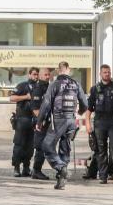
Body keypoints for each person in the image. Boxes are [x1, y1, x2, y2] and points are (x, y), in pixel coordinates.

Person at [37, 61, 89, 190]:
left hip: (58, 120)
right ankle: (61, 180)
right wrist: (79, 113)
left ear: (58, 70)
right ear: (68, 70)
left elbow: (46, 104)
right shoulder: (76, 84)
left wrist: (39, 121)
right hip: (71, 121)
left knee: (47, 145)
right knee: (65, 148)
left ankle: (61, 167)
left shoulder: (54, 84)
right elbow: (85, 104)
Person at [85, 64, 113, 184]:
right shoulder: (94, 89)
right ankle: (103, 176)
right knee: (101, 150)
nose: (107, 74)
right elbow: (89, 109)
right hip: (100, 122)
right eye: (105, 72)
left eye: (108, 72)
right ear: (100, 74)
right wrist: (88, 124)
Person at [8, 67, 45, 177]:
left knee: (30, 146)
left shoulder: (40, 87)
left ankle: (26, 167)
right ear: (29, 75)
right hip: (22, 119)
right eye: (34, 74)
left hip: (34, 120)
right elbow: (12, 98)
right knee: (19, 144)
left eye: (37, 74)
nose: (36, 76)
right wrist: (26, 97)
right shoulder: (22, 86)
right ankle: (16, 167)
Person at [31, 67, 52, 180]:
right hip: (41, 123)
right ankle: (36, 170)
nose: (48, 77)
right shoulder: (38, 88)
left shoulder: (50, 87)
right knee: (40, 147)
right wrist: (41, 120)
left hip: (49, 122)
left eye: (49, 75)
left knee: (47, 147)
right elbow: (35, 109)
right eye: (45, 75)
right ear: (40, 76)